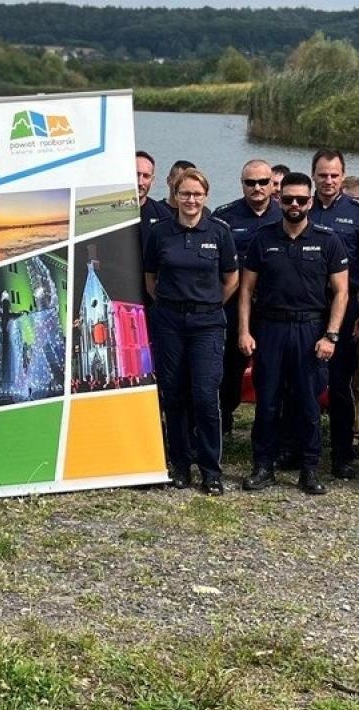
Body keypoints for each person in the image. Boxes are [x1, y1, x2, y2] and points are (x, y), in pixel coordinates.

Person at [236, 171, 347, 495]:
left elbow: (341, 292)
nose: (294, 204)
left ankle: (309, 469)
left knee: (308, 403)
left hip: (310, 329)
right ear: (278, 200)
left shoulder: (328, 240)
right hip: (270, 328)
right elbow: (245, 290)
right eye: (287, 199)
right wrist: (244, 330)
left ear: (310, 202)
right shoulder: (263, 238)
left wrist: (331, 335)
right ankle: (263, 466)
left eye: (301, 199)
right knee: (267, 401)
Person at [143, 168, 239, 494]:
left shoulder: (220, 232)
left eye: (197, 194)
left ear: (205, 197)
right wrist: (173, 305)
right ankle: (180, 464)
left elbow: (231, 278)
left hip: (207, 324)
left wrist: (207, 304)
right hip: (169, 321)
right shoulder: (160, 233)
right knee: (174, 395)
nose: (191, 200)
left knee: (205, 396)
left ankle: (211, 469)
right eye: (185, 193)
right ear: (176, 195)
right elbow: (150, 278)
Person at [307, 149, 359, 480]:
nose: (328, 181)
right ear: (313, 175)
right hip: (306, 305)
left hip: (347, 304)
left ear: (342, 175)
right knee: (302, 381)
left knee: (340, 383)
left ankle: (342, 454)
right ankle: (298, 447)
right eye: (322, 175)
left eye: (334, 175)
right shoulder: (299, 207)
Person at [214, 159, 283, 434]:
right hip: (232, 303)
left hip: (271, 306)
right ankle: (224, 416)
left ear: (272, 185)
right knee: (229, 366)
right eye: (250, 182)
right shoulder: (224, 217)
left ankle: (268, 428)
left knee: (270, 369)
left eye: (263, 182)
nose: (257, 188)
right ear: (242, 184)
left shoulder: (284, 215)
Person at [136, 150, 169, 226]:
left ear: (152, 180)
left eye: (146, 176)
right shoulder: (108, 213)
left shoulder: (163, 216)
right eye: (136, 174)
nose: (140, 182)